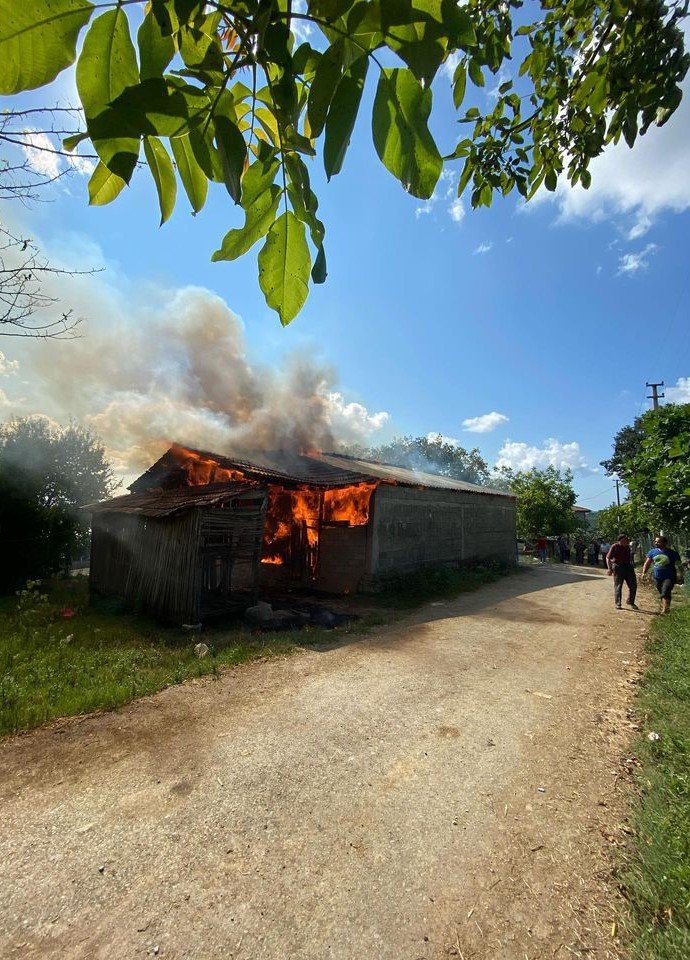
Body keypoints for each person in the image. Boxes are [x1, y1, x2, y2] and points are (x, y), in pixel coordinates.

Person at [642, 535, 681, 614]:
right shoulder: (652, 552)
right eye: (655, 541)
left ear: (664, 543)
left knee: (665, 590)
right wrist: (643, 573)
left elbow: (679, 564)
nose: (656, 543)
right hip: (657, 576)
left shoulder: (672, 553)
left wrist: (681, 574)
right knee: (662, 592)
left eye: (658, 542)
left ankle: (665, 609)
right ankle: (666, 607)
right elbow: (647, 563)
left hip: (670, 576)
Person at [606, 534, 638, 610]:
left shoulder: (627, 547)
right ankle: (618, 603)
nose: (626, 541)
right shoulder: (615, 546)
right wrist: (609, 569)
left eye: (627, 540)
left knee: (633, 585)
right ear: (619, 540)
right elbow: (608, 558)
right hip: (618, 567)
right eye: (624, 540)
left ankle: (630, 601)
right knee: (618, 585)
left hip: (628, 567)